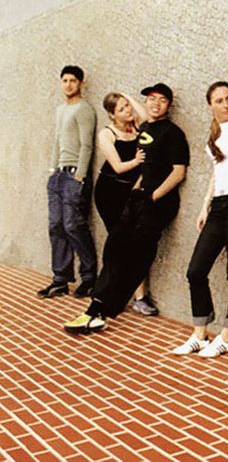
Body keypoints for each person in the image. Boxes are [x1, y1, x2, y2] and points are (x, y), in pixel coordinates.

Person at [63, 83, 190, 334]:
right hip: (136, 200)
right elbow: (144, 130)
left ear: (169, 105)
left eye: (162, 100)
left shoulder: (172, 133)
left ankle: (101, 312)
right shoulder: (145, 129)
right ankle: (96, 308)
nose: (155, 104)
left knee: (136, 258)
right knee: (114, 249)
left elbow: (178, 172)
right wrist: (137, 190)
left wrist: (153, 195)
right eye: (151, 99)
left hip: (157, 204)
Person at [172, 81, 228, 358]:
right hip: (219, 203)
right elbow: (217, 171)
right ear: (210, 105)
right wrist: (205, 205)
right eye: (219, 100)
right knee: (195, 270)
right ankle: (200, 334)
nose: (226, 104)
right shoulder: (215, 133)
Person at [94, 92, 159, 316]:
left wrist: (127, 96)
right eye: (121, 109)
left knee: (133, 244)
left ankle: (135, 296)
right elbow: (118, 167)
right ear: (111, 115)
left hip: (131, 193)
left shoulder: (137, 128)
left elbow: (147, 118)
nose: (128, 110)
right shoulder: (107, 134)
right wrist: (137, 161)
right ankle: (115, 295)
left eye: (128, 106)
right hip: (109, 193)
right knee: (119, 244)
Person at [38, 65, 98, 299]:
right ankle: (60, 279)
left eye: (73, 80)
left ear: (81, 83)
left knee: (73, 225)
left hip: (74, 175)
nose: (68, 84)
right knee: (56, 226)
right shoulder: (61, 110)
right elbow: (57, 141)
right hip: (58, 175)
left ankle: (89, 277)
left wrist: (80, 175)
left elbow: (87, 145)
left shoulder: (84, 109)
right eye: (65, 80)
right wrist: (52, 169)